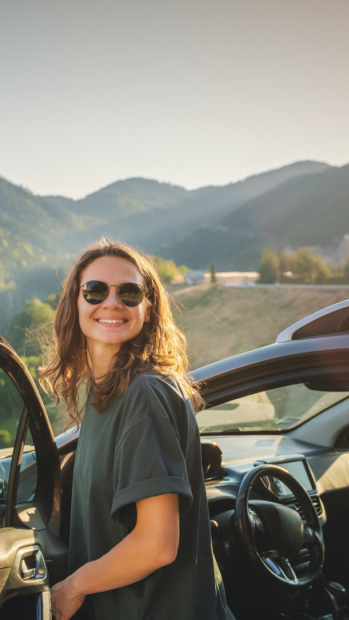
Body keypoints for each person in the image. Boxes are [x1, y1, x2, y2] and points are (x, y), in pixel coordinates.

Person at [40, 239, 234, 620]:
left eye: (129, 292)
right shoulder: (106, 395)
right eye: (95, 290)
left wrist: (72, 587)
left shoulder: (144, 394)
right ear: (75, 303)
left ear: (148, 309)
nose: (112, 302)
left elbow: (157, 544)